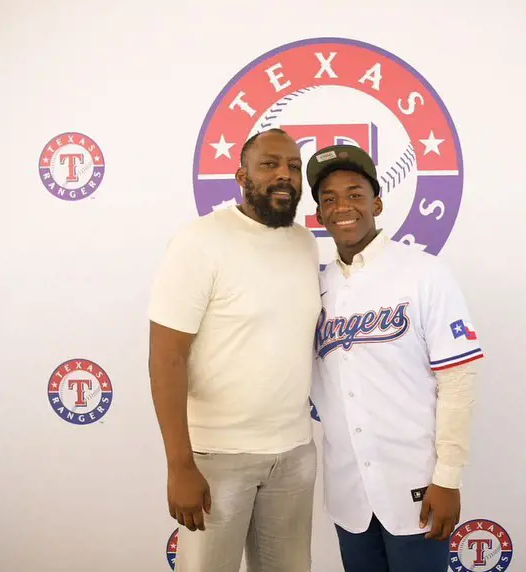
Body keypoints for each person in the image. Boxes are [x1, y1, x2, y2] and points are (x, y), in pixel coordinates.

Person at [148, 128, 321, 572]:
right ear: (241, 175)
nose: (284, 175)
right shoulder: (199, 241)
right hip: (216, 459)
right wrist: (180, 465)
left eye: (294, 167)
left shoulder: (304, 243)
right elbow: (166, 356)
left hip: (295, 453)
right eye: (270, 165)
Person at [306, 144, 485, 572]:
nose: (342, 206)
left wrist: (448, 478)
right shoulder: (314, 286)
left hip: (418, 484)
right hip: (348, 490)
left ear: (377, 203)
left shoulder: (424, 272)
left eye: (354, 193)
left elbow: (458, 382)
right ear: (319, 215)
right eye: (328, 199)